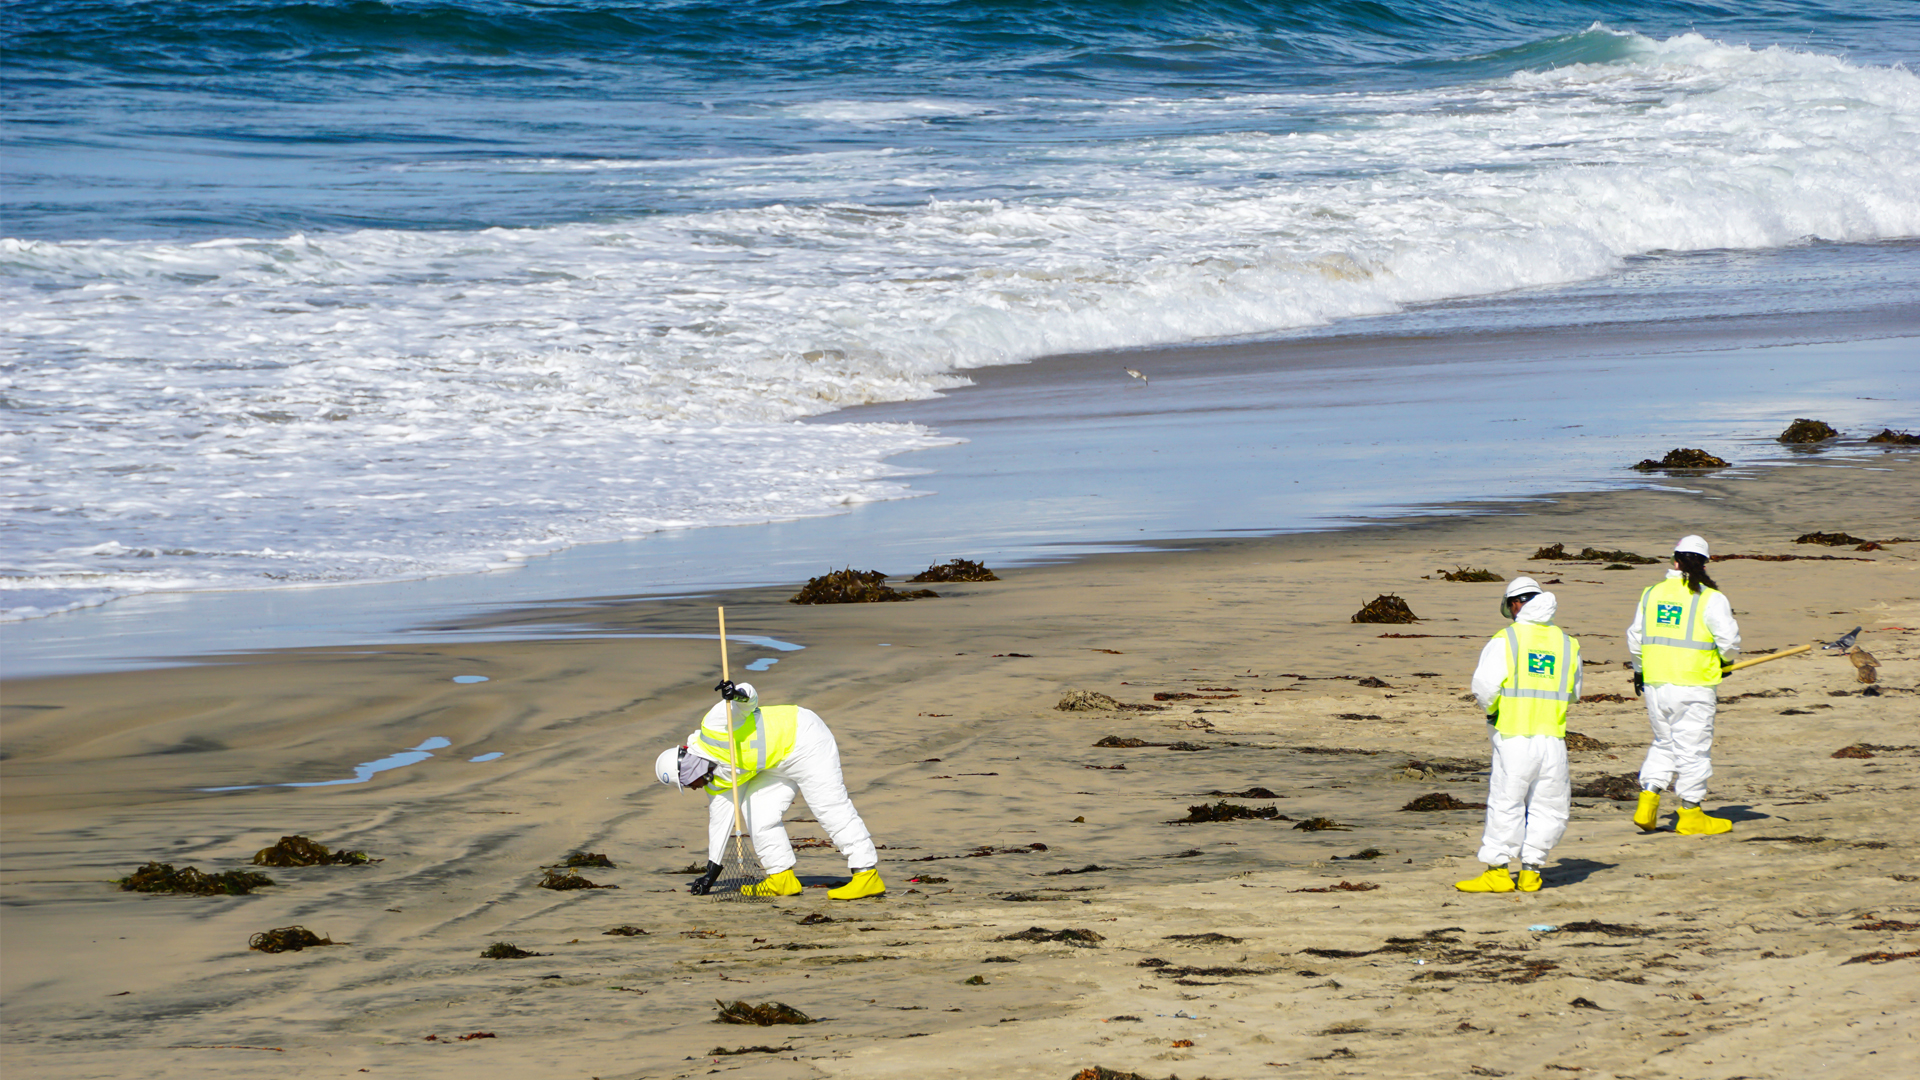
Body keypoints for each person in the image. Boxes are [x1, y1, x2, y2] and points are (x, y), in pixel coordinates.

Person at [654, 680, 885, 899]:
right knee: (756, 810)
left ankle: (866, 874)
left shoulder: (713, 726)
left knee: (829, 806)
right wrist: (710, 875)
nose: (692, 788)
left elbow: (749, 698)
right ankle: (781, 878)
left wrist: (736, 694)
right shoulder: (716, 781)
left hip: (805, 739)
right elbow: (719, 824)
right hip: (776, 764)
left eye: (686, 784)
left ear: (687, 768)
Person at [1457, 577, 1582, 893]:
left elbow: (1484, 687)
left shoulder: (1506, 639)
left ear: (1515, 604)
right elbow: (1573, 693)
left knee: (1506, 801)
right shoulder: (1567, 644)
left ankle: (1498, 873)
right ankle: (1531, 871)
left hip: (1513, 736)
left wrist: (1493, 712)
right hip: (1552, 738)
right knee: (1549, 805)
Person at [1627, 534, 1740, 835]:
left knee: (1665, 742)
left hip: (1656, 685)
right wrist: (1725, 662)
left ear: (1674, 559)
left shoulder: (1652, 594)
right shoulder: (1710, 598)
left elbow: (1635, 639)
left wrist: (1639, 672)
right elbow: (1728, 642)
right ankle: (1691, 814)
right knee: (1693, 750)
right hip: (1693, 685)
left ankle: (1647, 803)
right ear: (1704, 564)